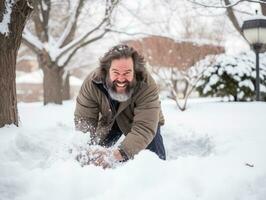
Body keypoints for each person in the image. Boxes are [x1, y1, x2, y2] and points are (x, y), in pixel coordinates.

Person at [74, 44, 166, 168]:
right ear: (106, 71)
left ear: (135, 71)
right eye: (116, 72)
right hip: (109, 120)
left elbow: (145, 127)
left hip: (143, 121)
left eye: (127, 72)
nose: (121, 79)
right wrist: (86, 149)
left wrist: (118, 153)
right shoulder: (92, 83)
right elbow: (85, 120)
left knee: (154, 162)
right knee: (93, 157)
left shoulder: (146, 84)